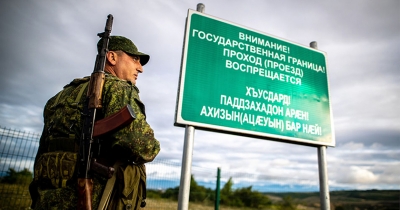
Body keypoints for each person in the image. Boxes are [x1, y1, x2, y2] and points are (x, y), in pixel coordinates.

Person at [29, 36, 160, 210]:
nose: (140, 68)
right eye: (134, 59)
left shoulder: (58, 98)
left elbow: (43, 152)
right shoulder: (118, 89)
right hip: (93, 198)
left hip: (46, 201)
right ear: (112, 57)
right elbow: (143, 147)